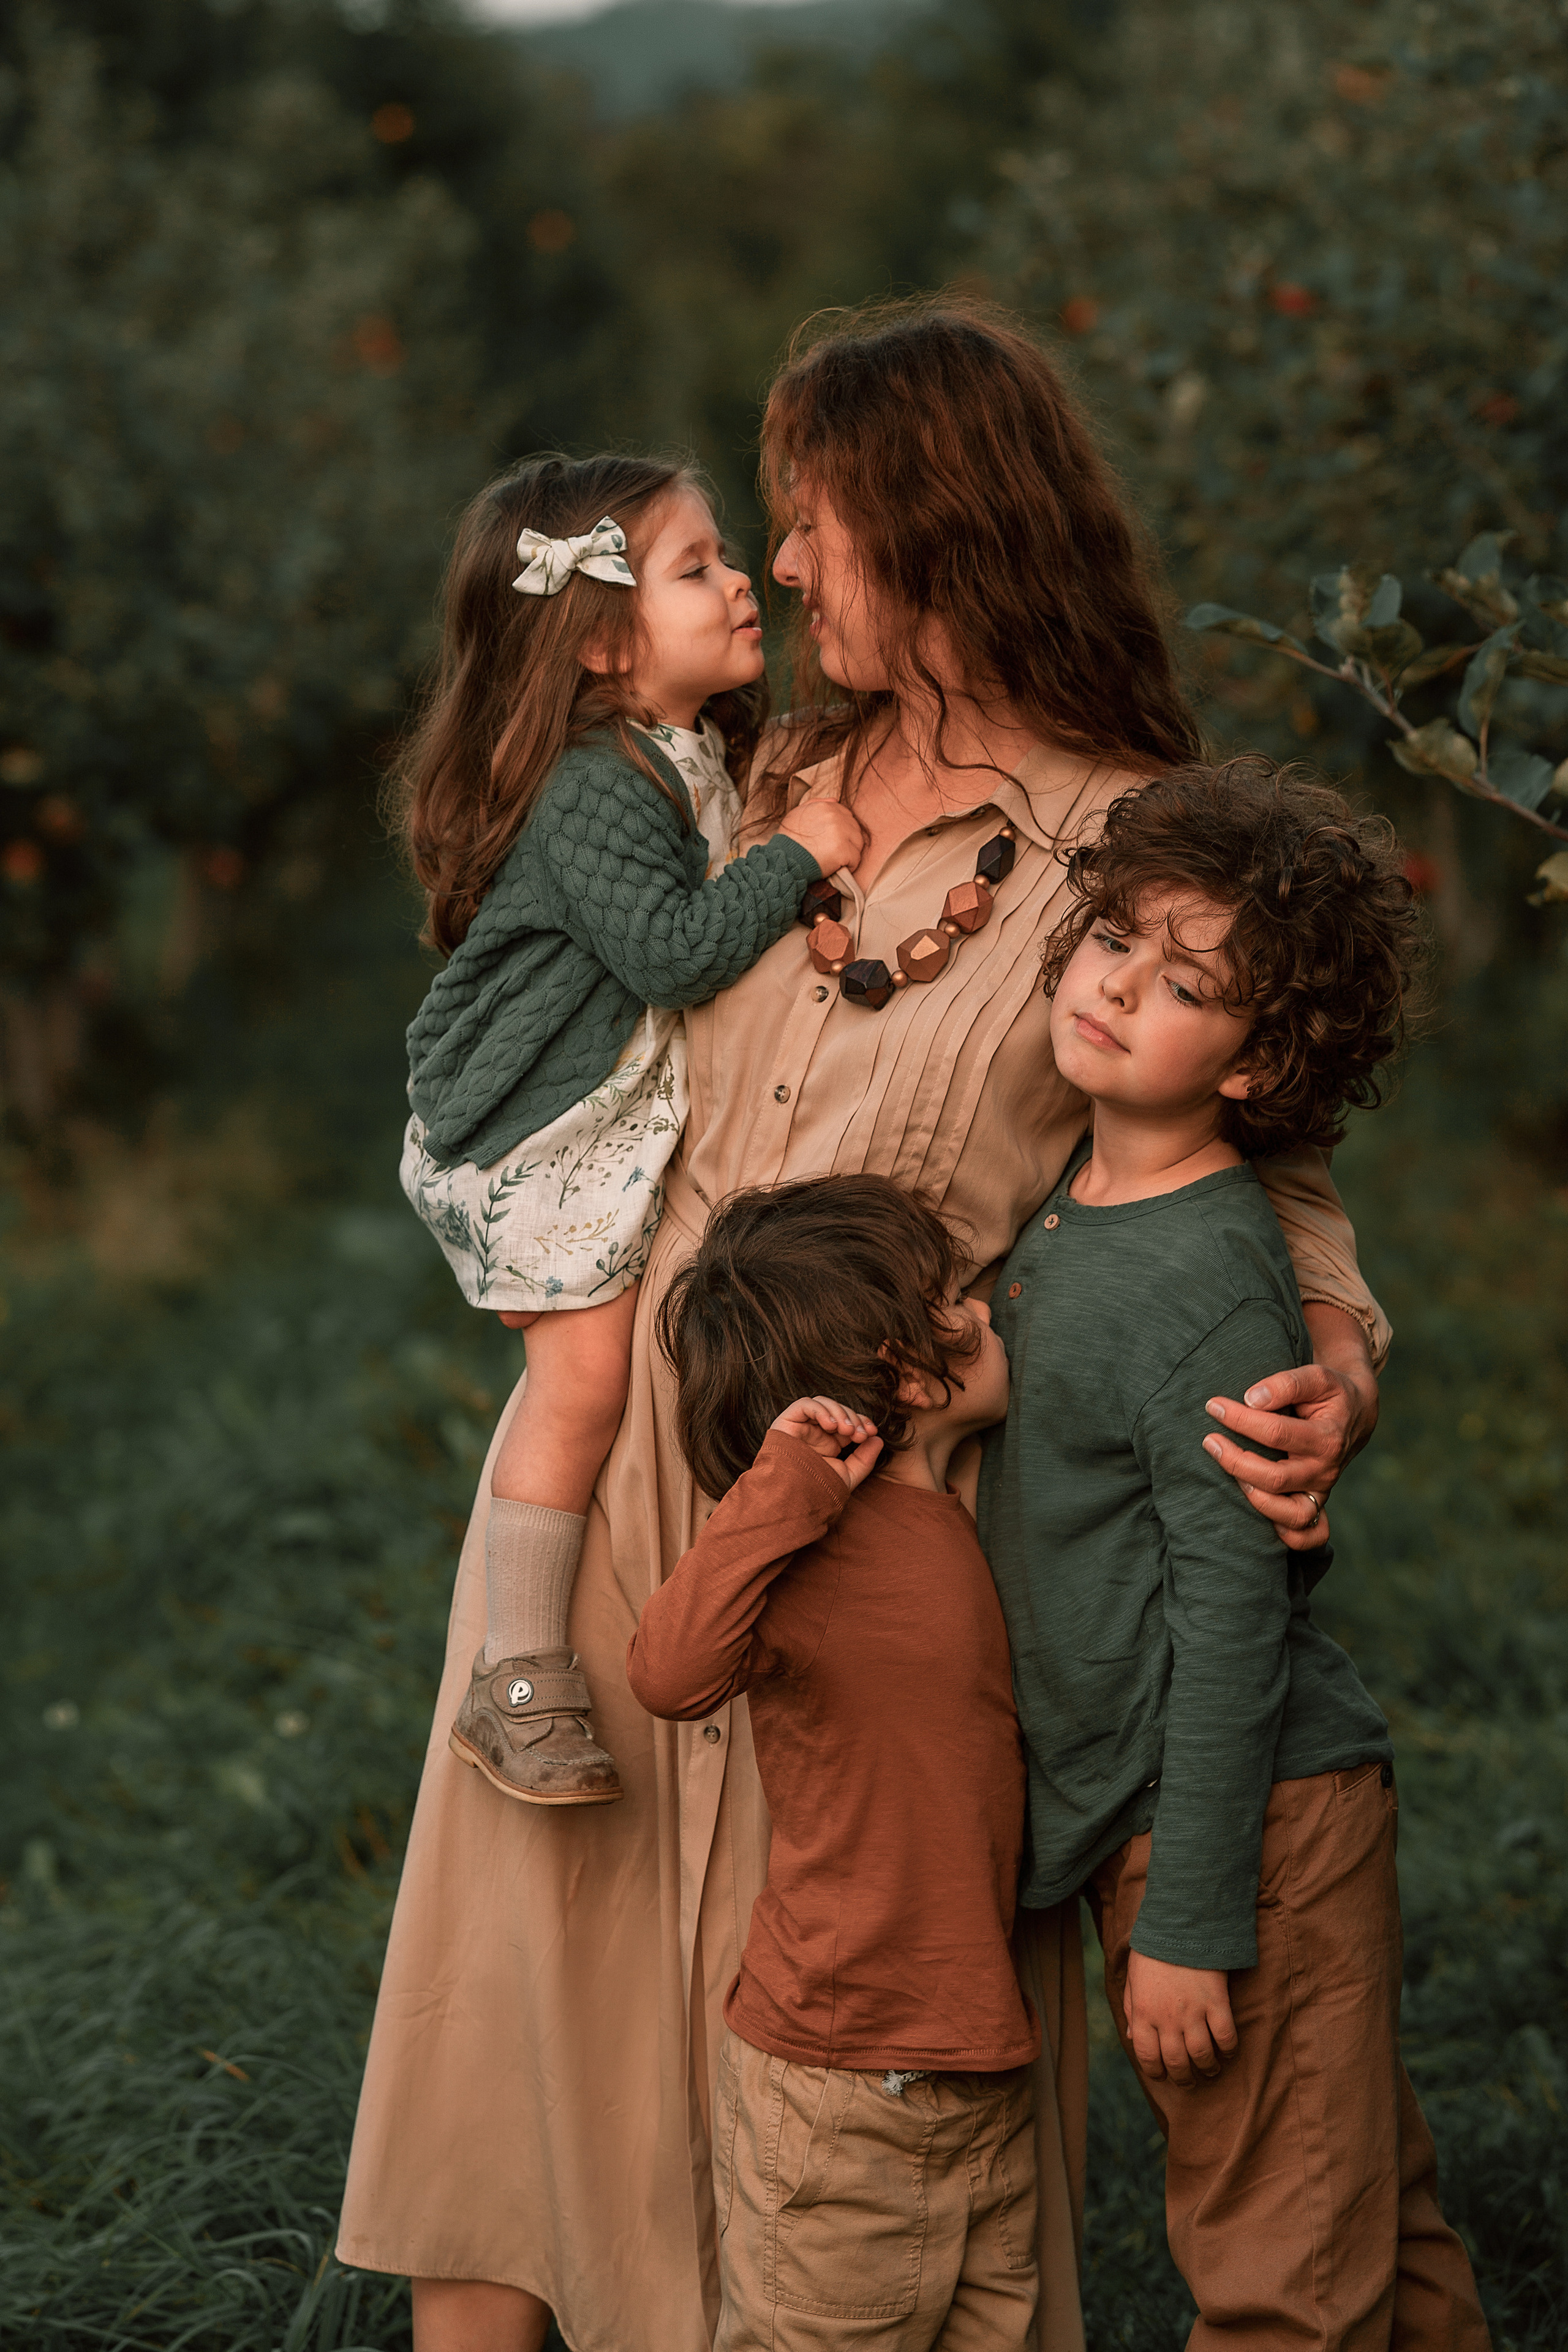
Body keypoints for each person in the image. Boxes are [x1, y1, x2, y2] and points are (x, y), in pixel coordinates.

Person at [337, 301, 1389, 2352]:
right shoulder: (750, 773)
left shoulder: (1128, 837)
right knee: (523, 2012)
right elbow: (553, 951)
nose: (794, 567)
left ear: (940, 528)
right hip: (626, 1475)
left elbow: (1269, 1171)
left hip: (882, 1525)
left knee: (831, 2048)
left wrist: (1334, 1363)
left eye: (818, 519)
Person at [980, 760, 1490, 2350]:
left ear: (1259, 1063)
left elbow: (1230, 1619)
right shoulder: (1079, 1201)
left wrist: (1192, 1923)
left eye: (1185, 986)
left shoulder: (1205, 1282)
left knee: (1281, 2272)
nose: (1117, 989)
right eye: (1111, 942)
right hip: (1184, 1804)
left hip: (1236, 1816)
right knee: (1357, 2207)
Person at [391, 453, 862, 1804]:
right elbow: (670, 953)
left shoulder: (685, 744)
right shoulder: (595, 783)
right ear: (602, 643)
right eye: (695, 568)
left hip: (588, 1101)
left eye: (727, 553)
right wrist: (803, 856)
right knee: (584, 1381)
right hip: (525, 1129)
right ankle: (518, 1679)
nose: (744, 580)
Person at [630, 1176, 1035, 2350]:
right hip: (840, 2085)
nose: (988, 1310)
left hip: (978, 2069)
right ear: (903, 1369)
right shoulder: (811, 1547)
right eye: (954, 1301)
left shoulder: (958, 1518)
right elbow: (667, 1672)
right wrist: (785, 1485)